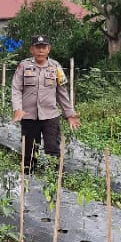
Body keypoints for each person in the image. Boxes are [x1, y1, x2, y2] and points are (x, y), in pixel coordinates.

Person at [11, 34, 80, 174]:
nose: (41, 50)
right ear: (32, 49)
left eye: (44, 47)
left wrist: (70, 114)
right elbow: (16, 89)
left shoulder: (56, 67)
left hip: (50, 116)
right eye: (38, 47)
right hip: (29, 116)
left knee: (53, 149)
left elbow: (62, 93)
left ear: (49, 49)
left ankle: (57, 179)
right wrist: (17, 108)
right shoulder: (24, 66)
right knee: (29, 151)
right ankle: (28, 181)